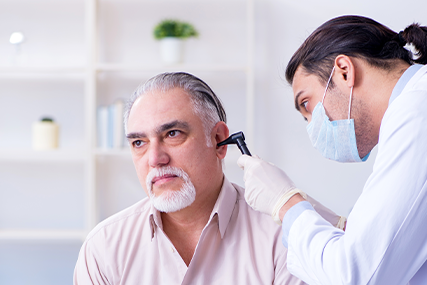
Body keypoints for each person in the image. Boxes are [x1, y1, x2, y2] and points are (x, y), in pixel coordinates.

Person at [237, 15, 427, 284]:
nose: (311, 126)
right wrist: (332, 226)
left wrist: (286, 204)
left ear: (344, 71)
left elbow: (357, 275)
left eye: (307, 104)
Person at [73, 72, 343, 284]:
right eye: (139, 143)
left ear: (218, 140)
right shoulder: (104, 248)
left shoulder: (283, 235)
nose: (155, 159)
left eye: (172, 134)